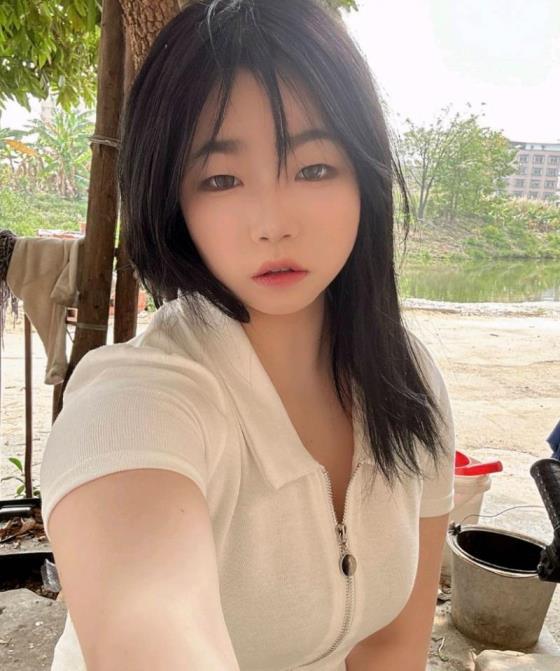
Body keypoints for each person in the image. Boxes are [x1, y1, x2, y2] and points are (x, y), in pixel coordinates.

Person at [40, 1, 456, 669]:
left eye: (314, 167)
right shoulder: (137, 400)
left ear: (365, 175)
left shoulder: (410, 381)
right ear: (172, 199)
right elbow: (146, 615)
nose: (273, 223)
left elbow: (391, 645)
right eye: (222, 179)